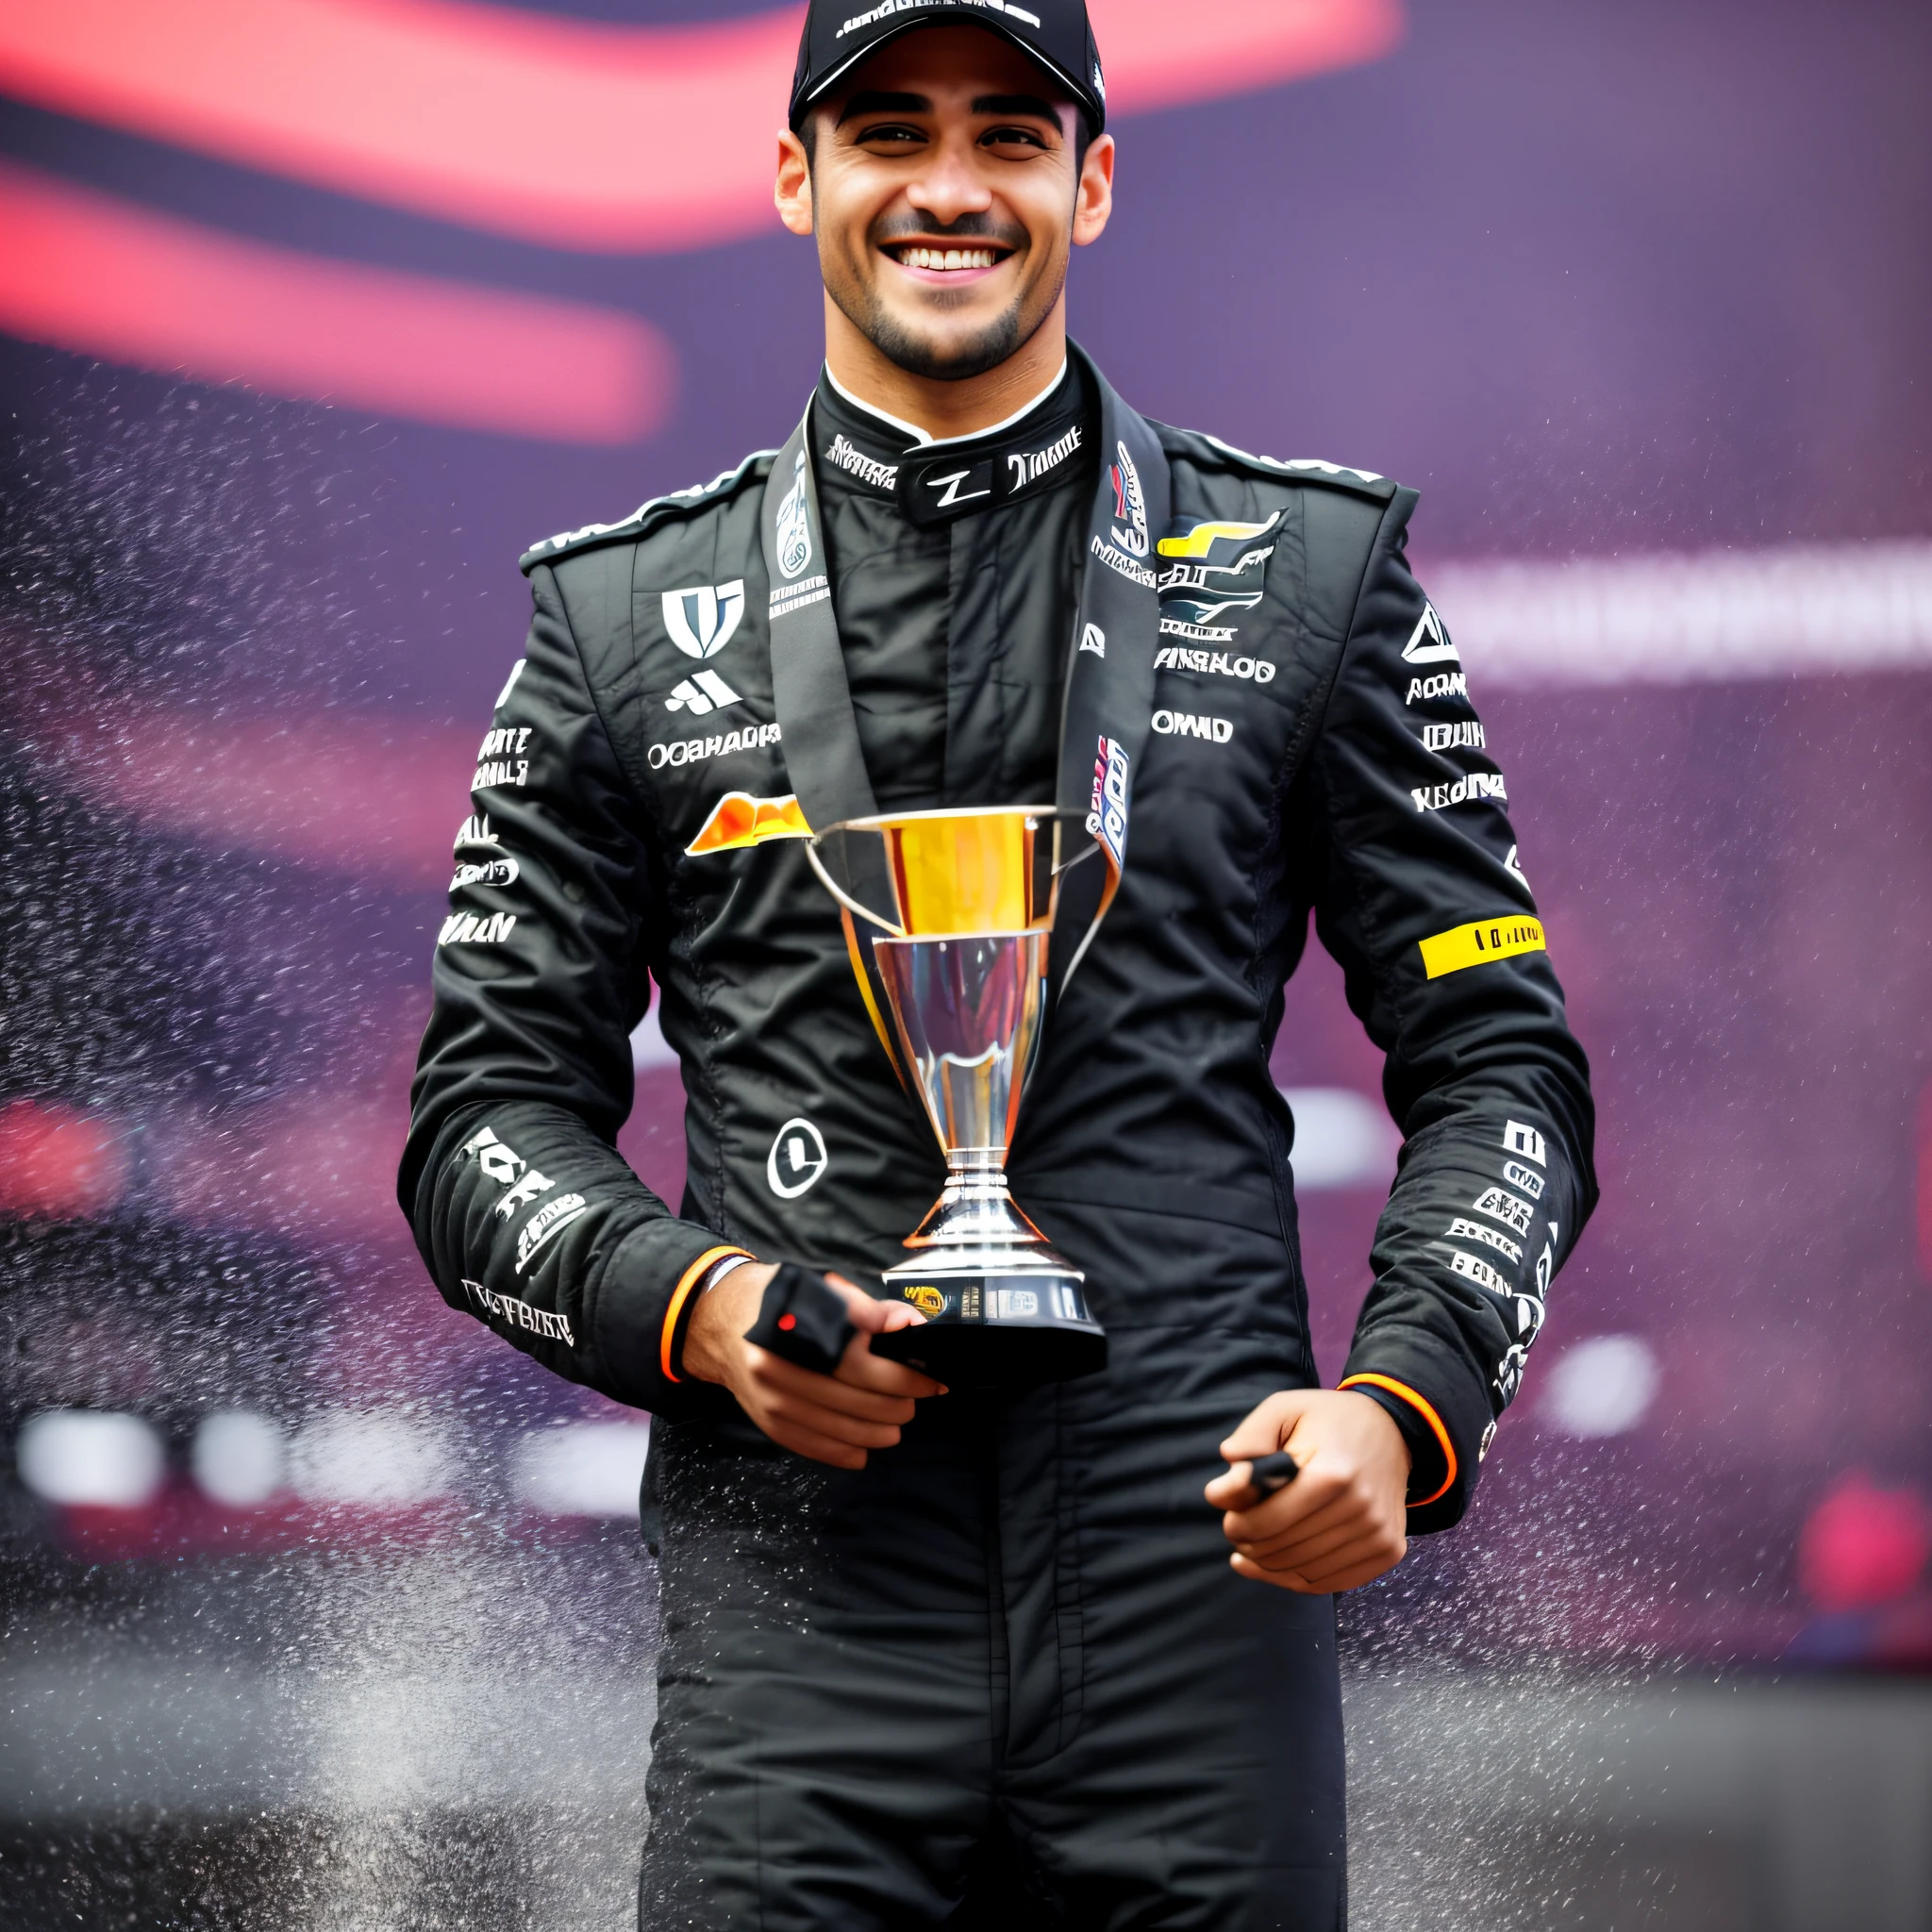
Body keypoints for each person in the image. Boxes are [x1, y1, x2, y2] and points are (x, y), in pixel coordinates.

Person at [399, 2, 1596, 1923]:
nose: (947, 187)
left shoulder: (1308, 575)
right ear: (795, 176)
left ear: (1090, 182)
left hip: (1196, 1595)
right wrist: (695, 1304)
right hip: (802, 1633)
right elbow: (477, 1126)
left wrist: (1405, 1400)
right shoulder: (617, 621)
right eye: (886, 132)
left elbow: (1500, 1067)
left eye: (1007, 136)